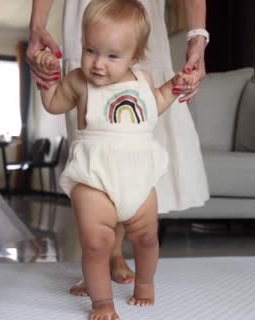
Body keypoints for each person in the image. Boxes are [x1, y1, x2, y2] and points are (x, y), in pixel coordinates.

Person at [27, 0, 209, 297]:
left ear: (135, 57)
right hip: (94, 175)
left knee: (148, 239)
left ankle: (145, 285)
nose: (98, 64)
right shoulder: (79, 81)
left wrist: (176, 84)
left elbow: (156, 103)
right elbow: (53, 103)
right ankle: (100, 296)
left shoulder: (142, 80)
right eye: (89, 51)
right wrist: (46, 80)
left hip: (137, 178)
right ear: (82, 43)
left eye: (111, 56)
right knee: (94, 242)